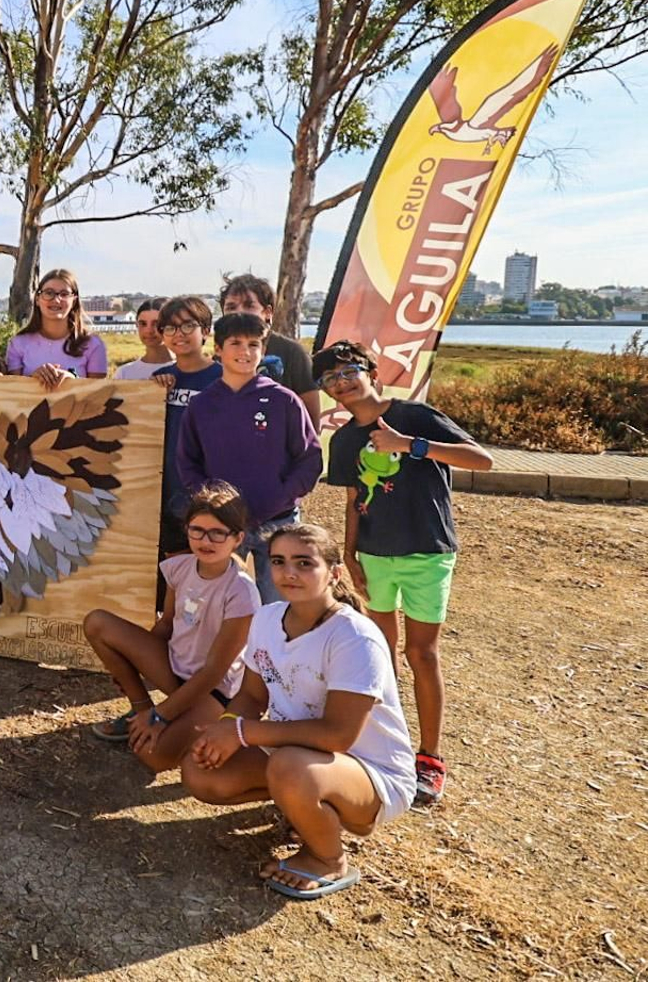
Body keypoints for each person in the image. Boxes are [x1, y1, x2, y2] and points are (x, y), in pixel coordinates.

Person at [182, 523, 414, 900]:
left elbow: (338, 735)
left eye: (304, 563)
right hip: (297, 753)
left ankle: (328, 858)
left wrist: (242, 733)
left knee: (290, 767)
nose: (289, 573)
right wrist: (225, 727)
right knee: (203, 772)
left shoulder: (355, 636)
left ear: (334, 573)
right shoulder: (268, 617)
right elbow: (253, 696)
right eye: (279, 561)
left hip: (371, 772)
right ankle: (305, 810)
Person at [315, 339, 493, 805]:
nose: (341, 383)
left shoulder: (415, 415)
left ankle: (430, 757)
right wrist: (348, 556)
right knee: (380, 653)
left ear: (370, 370)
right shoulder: (345, 439)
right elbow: (354, 499)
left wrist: (408, 445)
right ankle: (386, 748)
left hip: (427, 552)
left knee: (422, 653)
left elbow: (481, 459)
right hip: (374, 554)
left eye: (349, 371)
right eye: (330, 379)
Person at [82, 482, 260, 771]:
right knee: (98, 622)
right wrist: (134, 662)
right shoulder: (179, 568)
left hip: (212, 690)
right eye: (197, 530)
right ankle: (140, 713)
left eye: (218, 533)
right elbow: (166, 624)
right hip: (175, 668)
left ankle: (178, 721)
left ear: (237, 538)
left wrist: (162, 715)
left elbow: (214, 671)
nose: (206, 540)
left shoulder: (241, 592)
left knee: (153, 756)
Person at [176, 312, 321, 603]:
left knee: (280, 605)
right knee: (223, 603)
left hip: (278, 522)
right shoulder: (202, 405)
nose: (245, 351)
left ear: (263, 351)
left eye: (254, 344)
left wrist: (280, 496)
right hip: (222, 526)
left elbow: (310, 460)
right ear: (218, 349)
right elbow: (187, 462)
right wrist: (212, 504)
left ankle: (276, 651)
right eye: (235, 343)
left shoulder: (283, 400)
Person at [151, 297, 222, 559]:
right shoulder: (160, 379)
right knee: (172, 570)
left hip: (208, 494)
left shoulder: (223, 378)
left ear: (205, 331)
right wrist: (153, 390)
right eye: (169, 328)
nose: (178, 334)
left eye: (187, 326)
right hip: (165, 491)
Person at [220, 273, 319, 426]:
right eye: (231, 307)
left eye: (249, 306)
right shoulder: (220, 352)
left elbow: (311, 420)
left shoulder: (292, 352)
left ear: (267, 312)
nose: (239, 312)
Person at [5, 269, 108, 389]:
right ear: (37, 299)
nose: (56, 300)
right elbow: (13, 393)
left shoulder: (93, 345)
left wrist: (72, 380)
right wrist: (33, 379)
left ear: (74, 301)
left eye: (64, 294)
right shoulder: (18, 344)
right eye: (49, 293)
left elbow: (99, 396)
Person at [114, 297, 173, 380]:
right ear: (136, 324)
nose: (148, 331)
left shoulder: (189, 369)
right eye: (143, 324)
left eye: (156, 323)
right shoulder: (124, 373)